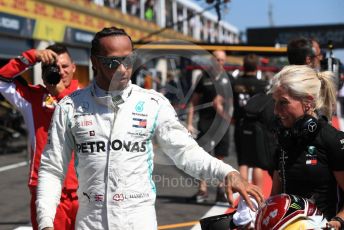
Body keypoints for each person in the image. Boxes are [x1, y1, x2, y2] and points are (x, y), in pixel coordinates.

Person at [36, 27, 264, 230]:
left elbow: (185, 152)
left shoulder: (153, 104)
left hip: (138, 220)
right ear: (94, 62)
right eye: (112, 62)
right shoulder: (70, 107)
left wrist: (227, 173)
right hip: (90, 221)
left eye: (128, 60)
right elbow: (52, 169)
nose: (123, 69)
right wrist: (46, 222)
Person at [0, 44, 79, 230]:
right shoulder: (32, 97)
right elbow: (2, 80)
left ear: (74, 67)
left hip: (85, 190)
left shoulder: (87, 97)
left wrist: (61, 94)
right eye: (52, 67)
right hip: (45, 189)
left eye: (64, 66)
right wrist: (32, 56)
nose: (60, 71)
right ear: (43, 72)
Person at [270, 65, 344, 229]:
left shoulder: (331, 139)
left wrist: (337, 222)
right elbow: (275, 196)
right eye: (275, 102)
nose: (276, 111)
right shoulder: (284, 138)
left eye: (283, 102)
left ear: (308, 102)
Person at [187, 50, 233, 203]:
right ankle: (202, 190)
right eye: (217, 59)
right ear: (212, 61)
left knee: (220, 159)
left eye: (222, 60)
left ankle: (220, 190)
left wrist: (221, 106)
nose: (219, 62)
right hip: (205, 123)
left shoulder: (230, 80)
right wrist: (189, 122)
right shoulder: (204, 78)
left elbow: (234, 104)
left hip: (222, 124)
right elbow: (193, 102)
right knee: (203, 158)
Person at [232, 54, 268, 189]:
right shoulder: (262, 85)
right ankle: (258, 196)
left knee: (243, 162)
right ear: (256, 67)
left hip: (240, 124)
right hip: (257, 126)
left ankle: (244, 196)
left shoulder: (235, 83)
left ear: (244, 65)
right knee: (257, 164)